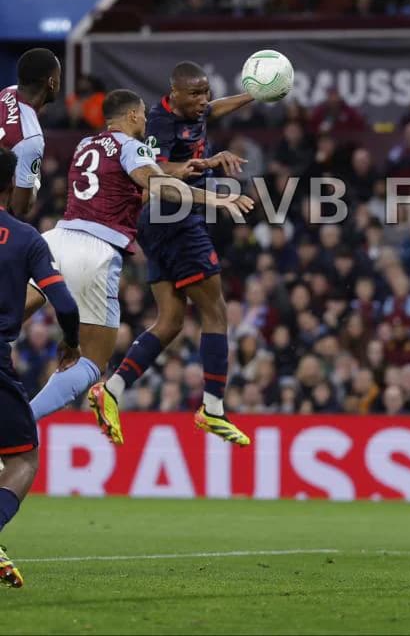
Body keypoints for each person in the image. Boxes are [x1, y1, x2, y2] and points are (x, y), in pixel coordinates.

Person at [24, 89, 253, 426]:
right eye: (143, 114)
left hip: (55, 241)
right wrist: (216, 200)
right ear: (132, 116)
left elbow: (132, 185)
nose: (146, 120)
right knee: (91, 365)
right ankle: (23, 421)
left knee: (8, 319)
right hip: (95, 254)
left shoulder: (86, 145)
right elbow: (156, 184)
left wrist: (196, 165)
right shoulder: (132, 147)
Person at [89, 63, 258, 446]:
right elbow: (155, 171)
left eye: (205, 92)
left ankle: (111, 390)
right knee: (215, 312)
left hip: (159, 224)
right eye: (195, 94)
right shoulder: (160, 124)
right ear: (174, 93)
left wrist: (256, 94)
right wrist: (203, 166)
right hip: (175, 218)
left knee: (170, 322)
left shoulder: (197, 111)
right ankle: (213, 408)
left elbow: (217, 109)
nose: (204, 100)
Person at [0, 147, 83, 588]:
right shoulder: (26, 237)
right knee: (22, 457)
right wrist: (70, 342)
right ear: (11, 184)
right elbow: (64, 303)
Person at [0, 48, 61, 218]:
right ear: (51, 82)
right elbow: (20, 207)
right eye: (59, 76)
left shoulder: (8, 91)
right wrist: (35, 181)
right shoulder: (31, 138)